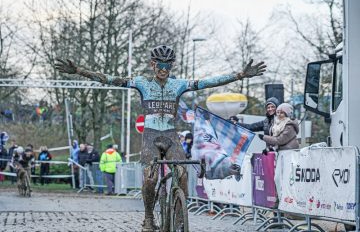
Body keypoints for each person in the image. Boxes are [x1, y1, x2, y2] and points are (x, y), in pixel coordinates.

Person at [55, 45, 266, 231]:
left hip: (171, 135)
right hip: (150, 136)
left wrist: (239, 75)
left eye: (167, 66)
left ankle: (179, 214)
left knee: (182, 174)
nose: (163, 70)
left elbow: (209, 82)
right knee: (150, 177)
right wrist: (79, 71)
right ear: (152, 64)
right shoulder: (142, 83)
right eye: (159, 65)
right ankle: (148, 216)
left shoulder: (179, 85)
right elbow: (109, 79)